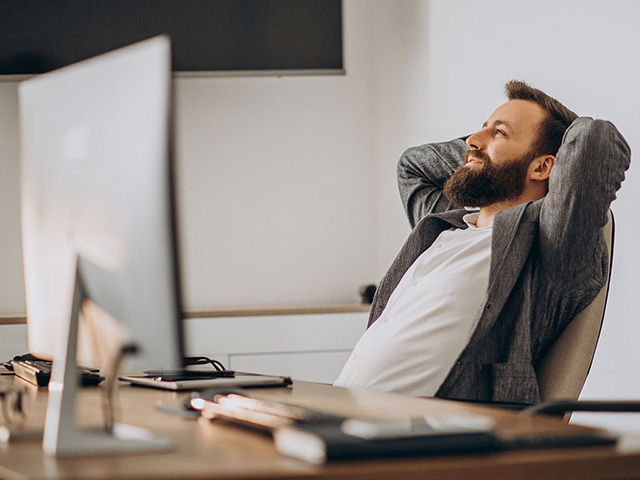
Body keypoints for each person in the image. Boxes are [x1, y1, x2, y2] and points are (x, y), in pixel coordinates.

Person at [334, 80, 631, 405]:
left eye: (499, 133)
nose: (472, 141)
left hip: (431, 439)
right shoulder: (446, 223)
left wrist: (505, 154)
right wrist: (484, 150)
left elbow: (594, 141)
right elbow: (413, 164)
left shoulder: (550, 246)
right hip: (342, 416)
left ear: (544, 166)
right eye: (481, 129)